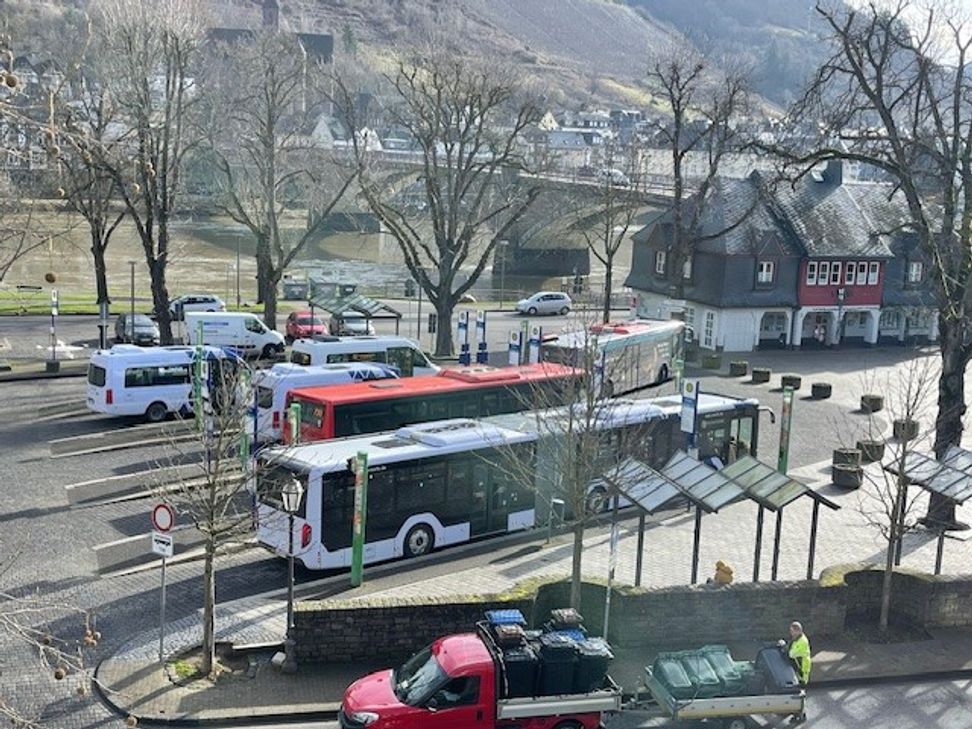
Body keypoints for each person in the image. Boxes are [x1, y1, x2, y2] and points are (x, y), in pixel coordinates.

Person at [787, 620, 811, 724]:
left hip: (802, 671)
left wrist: (785, 648)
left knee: (800, 694)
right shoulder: (797, 639)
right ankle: (797, 713)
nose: (791, 633)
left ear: (798, 631)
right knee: (796, 693)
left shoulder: (802, 642)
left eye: (792, 631)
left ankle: (802, 715)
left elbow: (792, 654)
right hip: (798, 668)